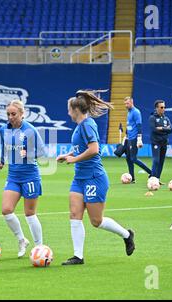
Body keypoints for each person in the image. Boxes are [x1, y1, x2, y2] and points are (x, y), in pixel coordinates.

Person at [56, 91, 135, 266]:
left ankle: (127, 235)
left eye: (69, 109)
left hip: (94, 178)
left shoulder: (87, 125)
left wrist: (73, 159)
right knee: (74, 214)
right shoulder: (80, 126)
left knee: (96, 221)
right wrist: (67, 155)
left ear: (76, 109)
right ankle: (78, 256)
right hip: (80, 179)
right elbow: (80, 148)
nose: (68, 113)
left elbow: (94, 149)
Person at [0, 100, 46, 258]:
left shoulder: (30, 130)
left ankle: (39, 248)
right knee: (6, 210)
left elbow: (42, 152)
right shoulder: (4, 128)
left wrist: (29, 154)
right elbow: (4, 147)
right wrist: (2, 161)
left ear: (22, 114)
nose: (10, 117)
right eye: (8, 114)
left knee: (30, 213)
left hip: (29, 176)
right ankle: (22, 240)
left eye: (13, 114)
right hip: (13, 175)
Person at [124, 97, 152, 182]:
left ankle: (151, 173)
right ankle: (132, 178)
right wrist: (125, 136)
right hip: (129, 138)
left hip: (134, 138)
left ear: (132, 102)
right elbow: (129, 125)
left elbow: (139, 125)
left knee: (133, 158)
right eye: (125, 104)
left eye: (127, 103)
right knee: (128, 158)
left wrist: (139, 139)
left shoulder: (136, 112)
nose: (126, 105)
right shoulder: (129, 112)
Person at [148, 100, 172, 183]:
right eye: (162, 107)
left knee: (161, 161)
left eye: (164, 107)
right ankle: (153, 178)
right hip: (156, 142)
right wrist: (165, 129)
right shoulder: (152, 118)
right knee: (156, 161)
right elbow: (154, 130)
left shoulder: (166, 118)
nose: (163, 109)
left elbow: (171, 129)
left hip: (164, 142)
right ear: (156, 108)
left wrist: (162, 128)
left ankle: (157, 179)